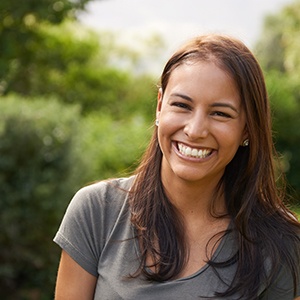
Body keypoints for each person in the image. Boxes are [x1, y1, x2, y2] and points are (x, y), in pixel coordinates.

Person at [53, 34, 300, 299]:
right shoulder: (97, 211)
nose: (194, 130)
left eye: (220, 113)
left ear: (247, 129)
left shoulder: (281, 242)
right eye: (182, 105)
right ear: (160, 107)